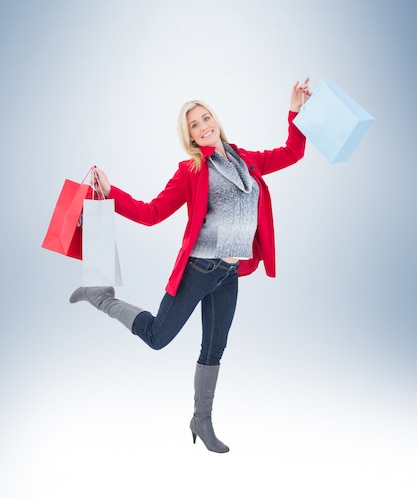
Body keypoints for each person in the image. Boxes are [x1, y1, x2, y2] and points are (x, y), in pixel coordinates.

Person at [70, 79, 311, 453]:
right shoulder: (191, 170)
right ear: (190, 137)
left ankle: (202, 420)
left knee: (214, 348)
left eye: (205, 117)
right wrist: (112, 191)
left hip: (229, 275)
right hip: (199, 270)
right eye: (194, 125)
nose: (203, 126)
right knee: (157, 338)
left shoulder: (247, 159)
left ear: (216, 119)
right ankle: (99, 296)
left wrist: (295, 109)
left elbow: (294, 152)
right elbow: (151, 213)